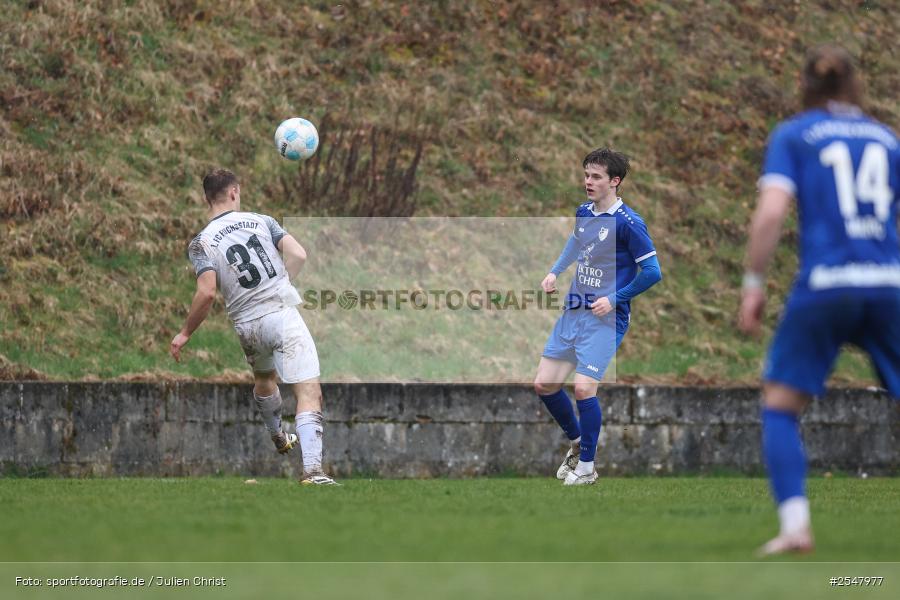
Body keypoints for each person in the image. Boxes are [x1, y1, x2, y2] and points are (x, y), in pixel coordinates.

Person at [739, 45, 899, 554]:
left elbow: (770, 214)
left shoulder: (795, 134)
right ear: (855, 85)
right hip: (888, 284)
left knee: (781, 405)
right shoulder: (886, 138)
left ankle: (795, 527)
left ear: (804, 86)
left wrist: (753, 284)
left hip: (827, 283)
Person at [170, 169, 338, 486]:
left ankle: (277, 434)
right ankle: (313, 472)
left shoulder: (201, 243)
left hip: (247, 326)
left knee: (264, 378)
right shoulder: (262, 221)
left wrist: (185, 333)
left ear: (207, 199)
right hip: (280, 314)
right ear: (234, 192)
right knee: (308, 391)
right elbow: (299, 254)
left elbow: (206, 292)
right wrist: (282, 282)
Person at [534, 148, 662, 485]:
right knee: (544, 384)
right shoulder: (584, 212)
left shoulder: (629, 223)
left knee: (583, 388)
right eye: (586, 175)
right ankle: (577, 443)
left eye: (596, 177)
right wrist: (554, 273)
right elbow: (576, 245)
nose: (587, 181)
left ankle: (587, 468)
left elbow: (652, 272)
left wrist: (614, 298)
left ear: (614, 182)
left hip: (606, 317)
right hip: (574, 309)